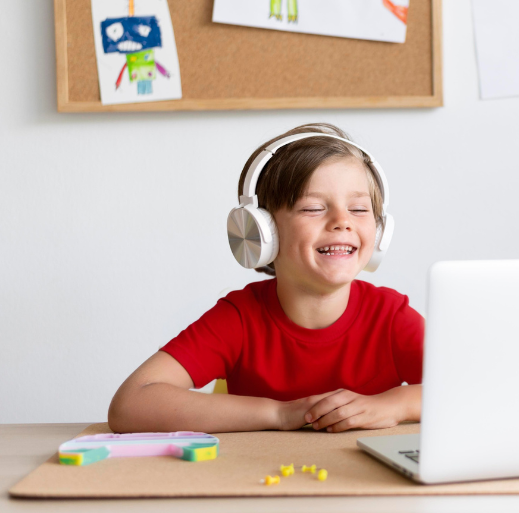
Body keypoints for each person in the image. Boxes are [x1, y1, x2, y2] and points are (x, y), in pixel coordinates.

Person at [108, 123, 423, 434]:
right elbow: (131, 404)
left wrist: (395, 405)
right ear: (262, 232)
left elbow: (456, 389)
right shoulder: (240, 319)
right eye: (313, 208)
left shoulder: (391, 317)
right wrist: (281, 414)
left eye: (359, 209)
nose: (342, 221)